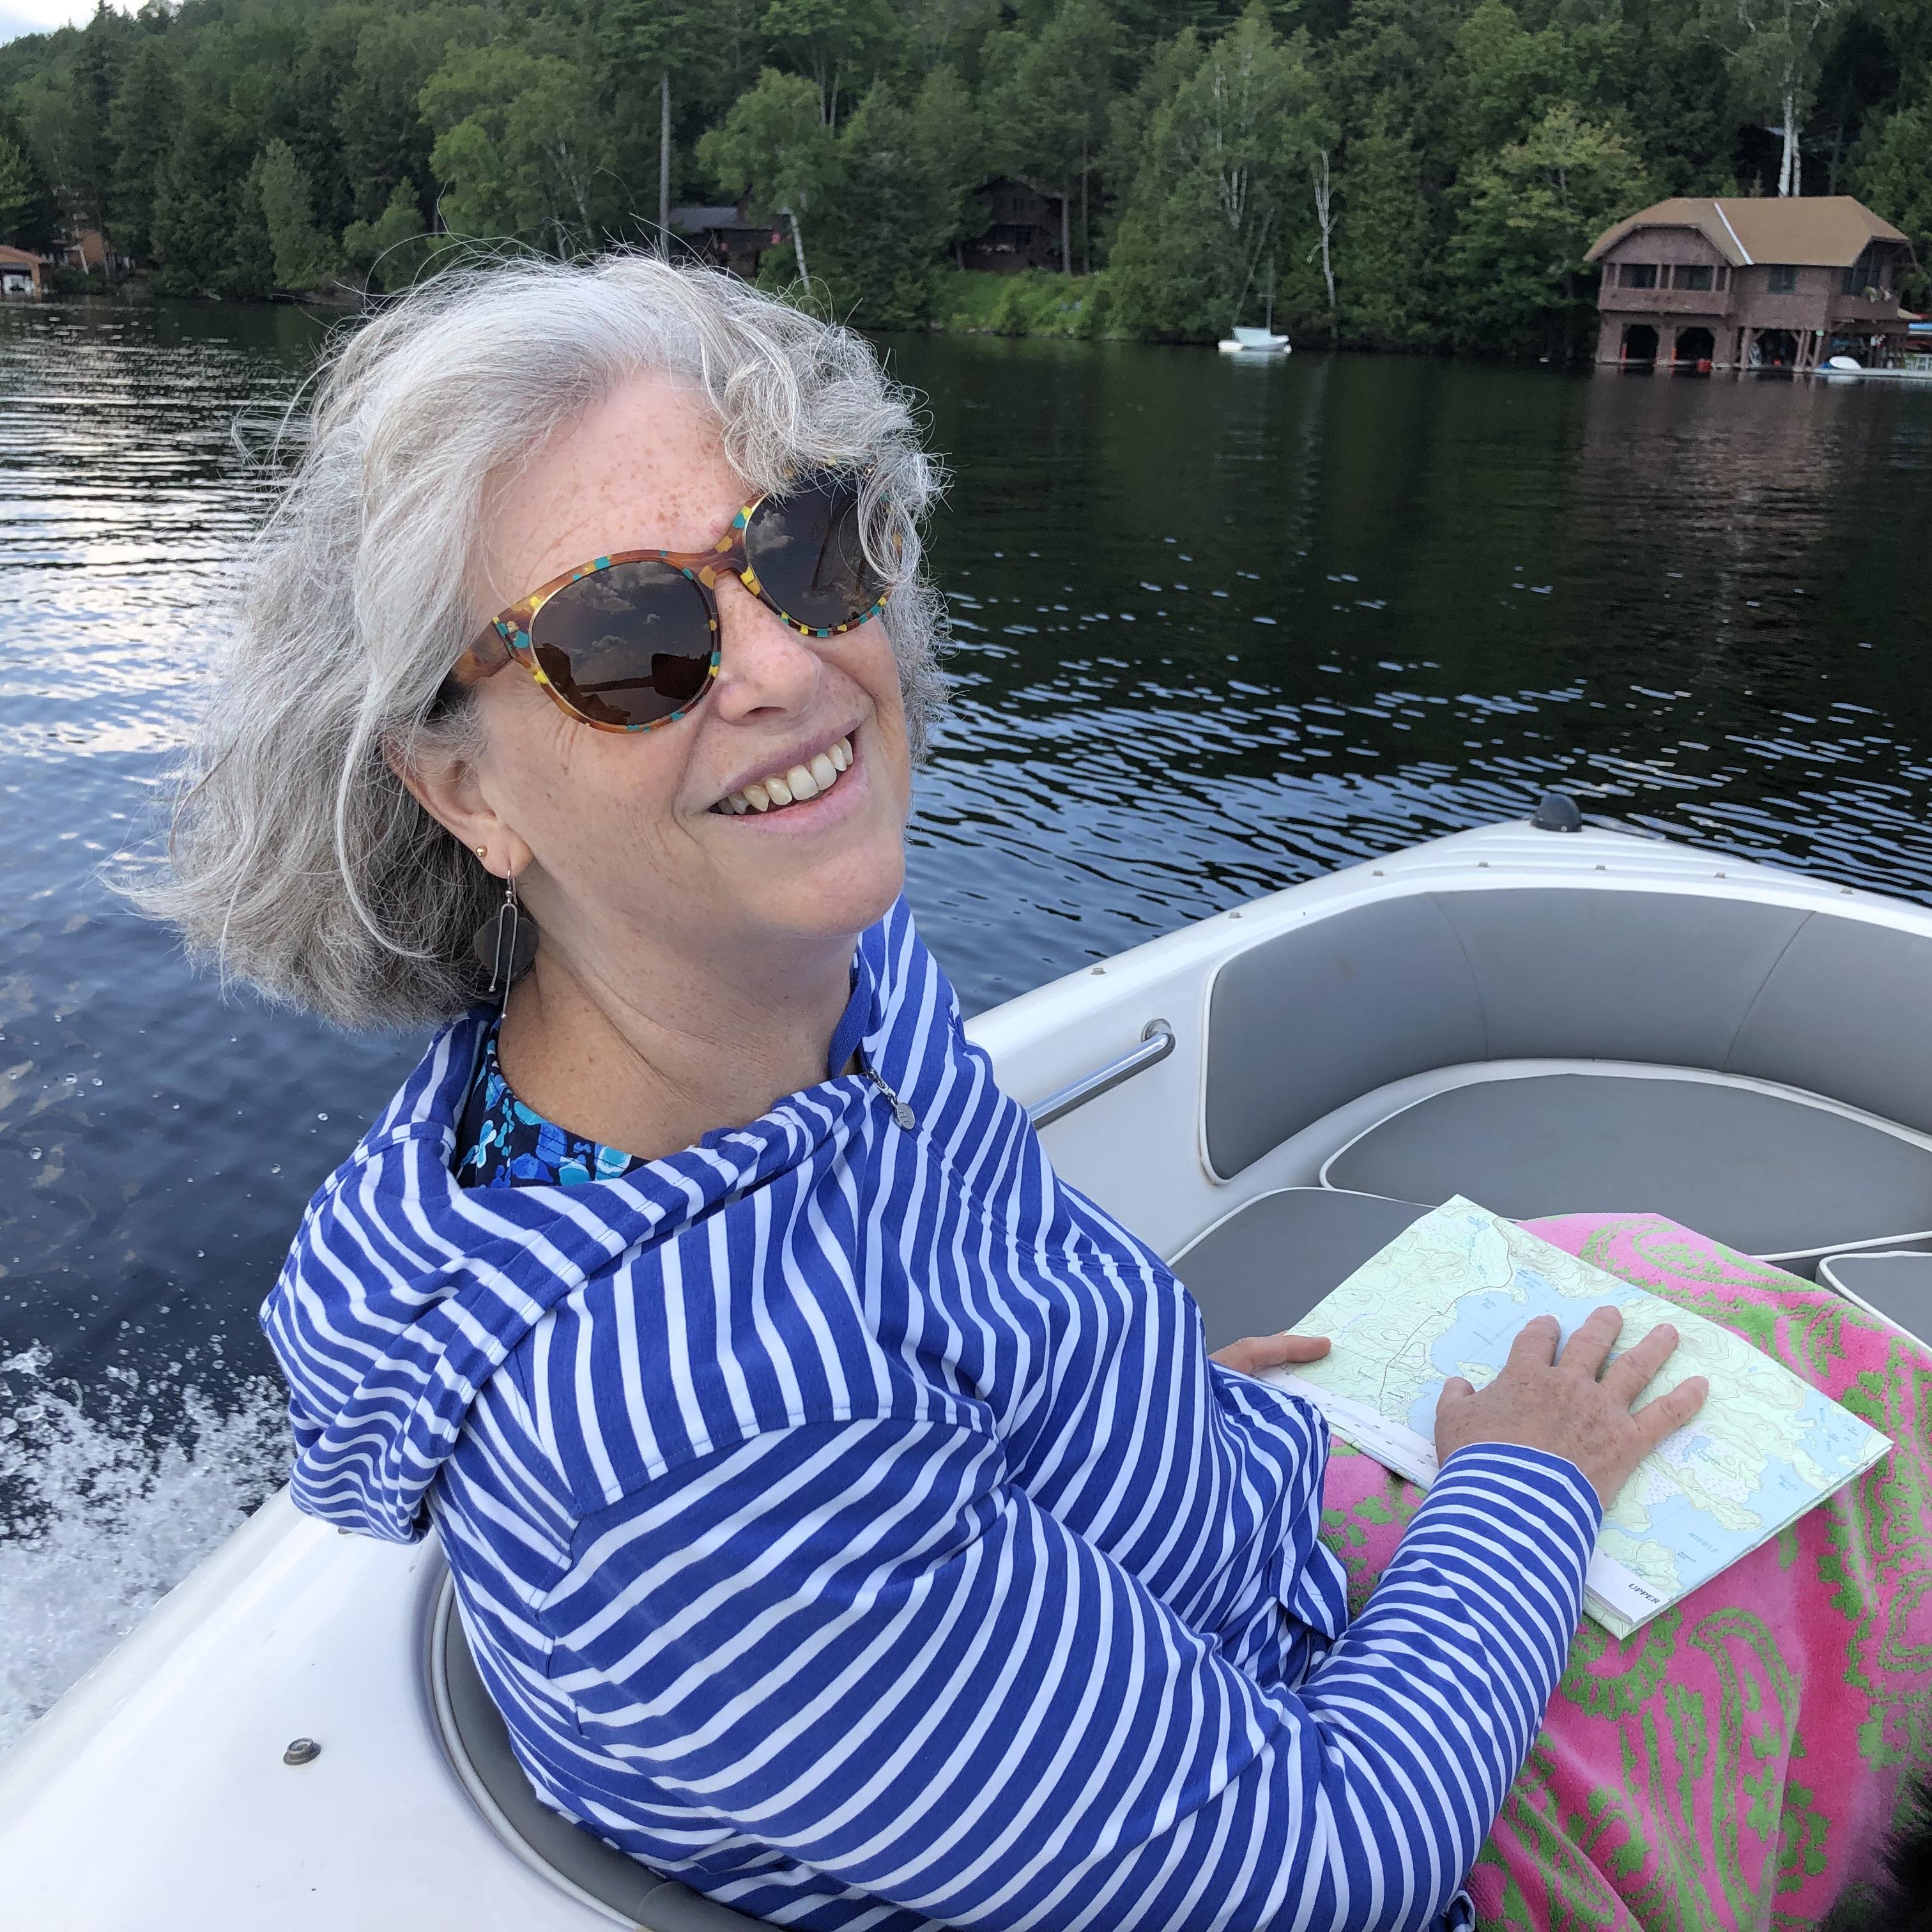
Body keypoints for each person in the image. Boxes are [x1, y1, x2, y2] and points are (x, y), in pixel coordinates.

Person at [149, 254, 1710, 1931]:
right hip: (1359, 1802)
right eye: (628, 635)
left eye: (802, 552)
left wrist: (1130, 1407)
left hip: (1251, 1563)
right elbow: (1331, 1878)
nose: (784, 668)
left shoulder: (822, 978)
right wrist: (1525, 1490)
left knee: (1654, 1277)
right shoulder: (696, 1465)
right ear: (459, 788)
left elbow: (955, 1302)